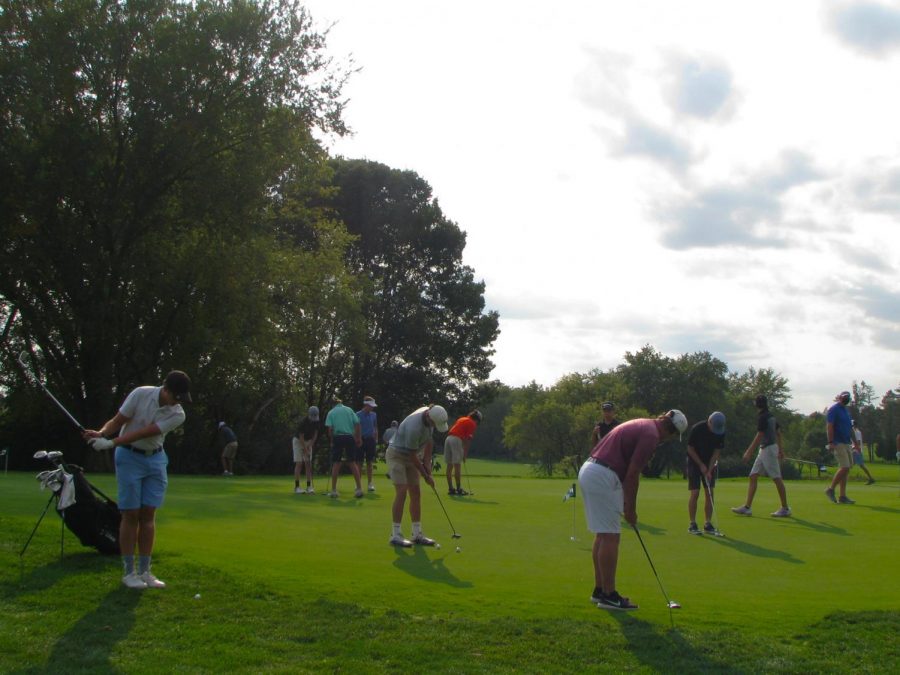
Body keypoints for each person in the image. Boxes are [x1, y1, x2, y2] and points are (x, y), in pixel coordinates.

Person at [83, 370, 191, 590]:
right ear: (166, 389)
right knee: (130, 513)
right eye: (175, 397)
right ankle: (128, 572)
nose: (176, 404)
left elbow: (145, 433)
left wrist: (110, 443)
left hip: (155, 460)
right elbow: (118, 420)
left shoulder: (178, 414)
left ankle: (145, 571)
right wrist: (102, 434)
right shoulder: (141, 394)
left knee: (148, 514)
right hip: (129, 458)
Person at [577, 409, 688, 611]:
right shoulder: (652, 435)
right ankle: (609, 596)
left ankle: (600, 590)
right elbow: (633, 474)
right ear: (671, 432)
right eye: (672, 436)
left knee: (603, 535)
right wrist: (631, 508)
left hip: (590, 470)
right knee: (611, 536)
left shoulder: (643, 423)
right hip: (603, 475)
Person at [386, 404, 449, 547]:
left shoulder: (430, 418)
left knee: (416, 493)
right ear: (428, 416)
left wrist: (428, 467)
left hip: (411, 455)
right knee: (402, 491)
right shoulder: (414, 427)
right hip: (397, 455)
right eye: (434, 423)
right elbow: (412, 456)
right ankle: (395, 534)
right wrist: (426, 476)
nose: (434, 426)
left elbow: (429, 443)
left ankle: (417, 534)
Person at [731, 394, 791, 518]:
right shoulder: (771, 416)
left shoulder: (763, 417)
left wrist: (748, 452)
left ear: (756, 404)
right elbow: (779, 433)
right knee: (753, 476)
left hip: (768, 449)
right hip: (765, 449)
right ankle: (747, 507)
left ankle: (785, 508)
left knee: (776, 478)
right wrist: (781, 450)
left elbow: (759, 436)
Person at [685, 412, 726, 535]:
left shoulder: (721, 432)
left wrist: (709, 469)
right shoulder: (697, 428)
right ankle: (692, 524)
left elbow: (716, 452)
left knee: (710, 492)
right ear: (709, 422)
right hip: (694, 461)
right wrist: (701, 465)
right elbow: (690, 449)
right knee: (695, 492)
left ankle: (708, 523)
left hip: (709, 463)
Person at [325, 398, 363, 498]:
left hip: (338, 437)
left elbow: (330, 430)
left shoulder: (331, 412)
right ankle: (359, 489)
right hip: (349, 437)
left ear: (333, 404)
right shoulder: (349, 410)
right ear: (340, 402)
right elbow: (357, 423)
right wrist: (358, 438)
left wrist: (332, 441)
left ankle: (333, 490)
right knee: (352, 462)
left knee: (336, 463)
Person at [824, 391, 856, 504]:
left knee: (846, 470)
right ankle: (831, 489)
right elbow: (830, 426)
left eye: (848, 397)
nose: (846, 399)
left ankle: (842, 496)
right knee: (845, 467)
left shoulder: (846, 411)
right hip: (838, 442)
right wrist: (831, 441)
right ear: (840, 398)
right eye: (844, 397)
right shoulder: (834, 409)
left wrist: (855, 443)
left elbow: (850, 428)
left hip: (847, 442)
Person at [445, 410, 482, 495]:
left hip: (448, 439)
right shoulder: (472, 423)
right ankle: (459, 489)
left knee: (449, 466)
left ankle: (451, 488)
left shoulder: (462, 419)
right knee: (457, 465)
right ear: (477, 419)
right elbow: (468, 440)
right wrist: (465, 454)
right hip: (456, 440)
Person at [293, 406, 319, 494]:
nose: (314, 418)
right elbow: (301, 437)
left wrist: (310, 445)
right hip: (298, 441)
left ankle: (309, 487)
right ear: (309, 414)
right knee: (299, 463)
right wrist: (305, 448)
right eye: (312, 416)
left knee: (308, 464)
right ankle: (297, 487)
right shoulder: (303, 422)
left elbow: (315, 434)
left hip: (308, 442)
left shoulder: (316, 422)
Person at [357, 396, 379, 492]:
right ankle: (358, 484)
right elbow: (355, 428)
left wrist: (376, 438)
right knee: (359, 463)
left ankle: (370, 484)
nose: (372, 408)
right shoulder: (357, 414)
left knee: (369, 462)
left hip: (370, 440)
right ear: (366, 405)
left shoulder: (374, 415)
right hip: (360, 439)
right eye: (371, 406)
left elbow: (375, 427)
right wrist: (357, 439)